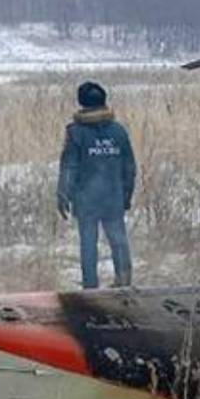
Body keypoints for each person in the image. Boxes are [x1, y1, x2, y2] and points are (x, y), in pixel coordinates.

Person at [56, 80, 137, 289]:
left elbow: (69, 167)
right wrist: (126, 195)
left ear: (81, 102)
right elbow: (129, 167)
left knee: (88, 243)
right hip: (113, 197)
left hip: (86, 200)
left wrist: (63, 194)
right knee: (119, 240)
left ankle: (90, 286)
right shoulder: (118, 131)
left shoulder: (75, 132)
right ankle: (124, 281)